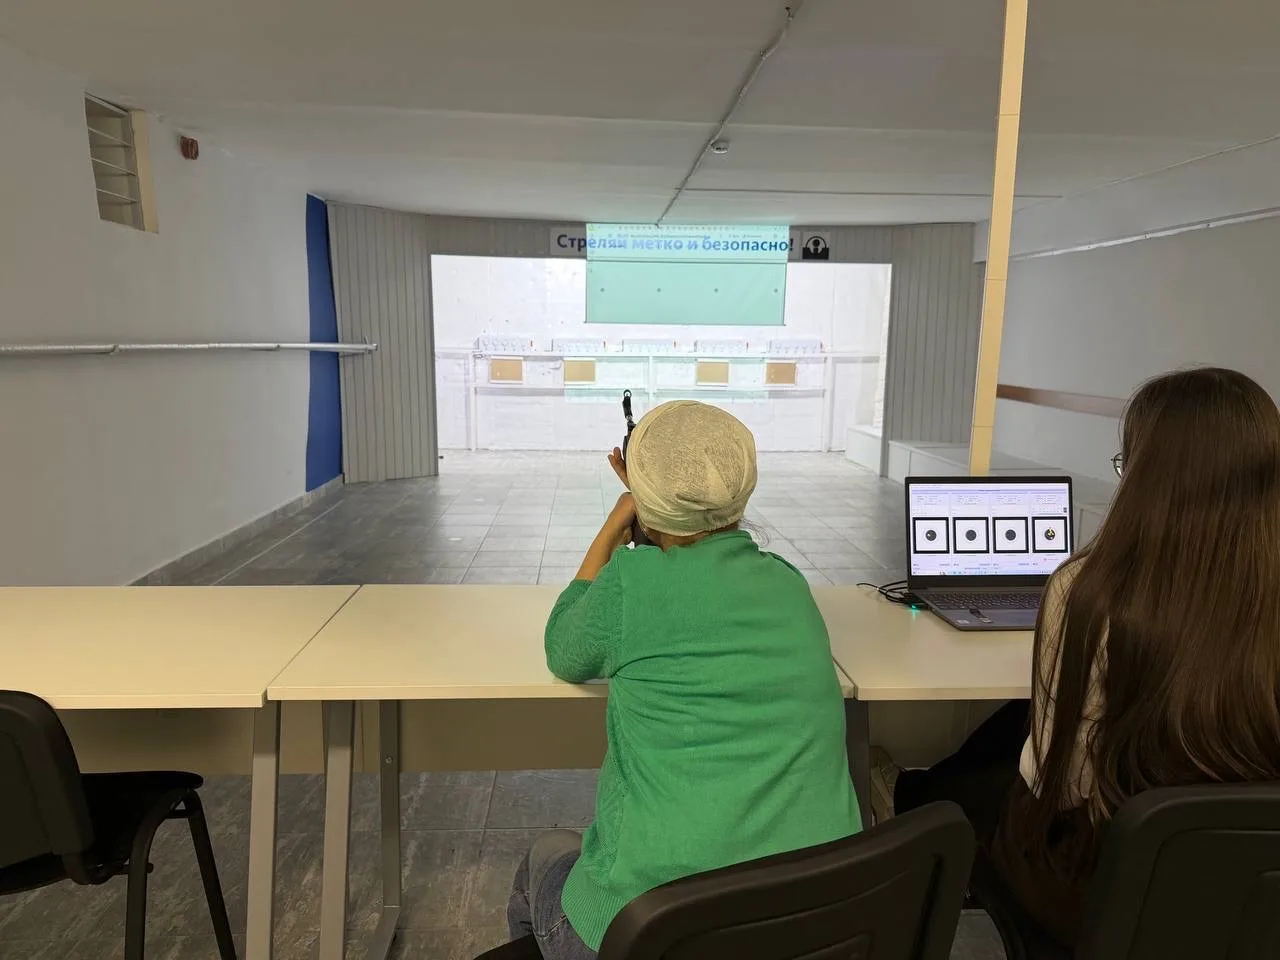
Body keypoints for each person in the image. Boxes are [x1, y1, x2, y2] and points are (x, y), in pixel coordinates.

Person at [887, 366, 1280, 946]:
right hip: (1251, 890)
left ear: (1148, 476)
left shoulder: (1091, 590)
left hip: (1100, 882)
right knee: (1005, 727)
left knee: (963, 786)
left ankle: (905, 798)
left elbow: (1062, 783)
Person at [507, 400, 862, 960]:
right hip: (812, 928)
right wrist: (653, 508)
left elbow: (564, 648)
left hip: (657, 934)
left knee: (546, 856)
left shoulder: (631, 583)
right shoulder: (789, 584)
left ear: (645, 501)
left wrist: (620, 518)